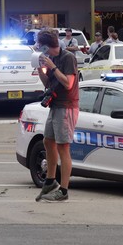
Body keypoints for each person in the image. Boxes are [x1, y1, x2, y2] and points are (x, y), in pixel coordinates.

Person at [35, 30, 79, 203]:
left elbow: (68, 84)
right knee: (47, 141)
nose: (40, 49)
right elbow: (48, 83)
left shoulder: (67, 58)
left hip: (66, 107)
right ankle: (50, 181)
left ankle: (64, 190)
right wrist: (39, 68)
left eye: (41, 46)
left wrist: (52, 67)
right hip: (54, 105)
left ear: (47, 46)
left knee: (63, 147)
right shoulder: (51, 59)